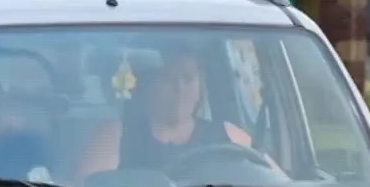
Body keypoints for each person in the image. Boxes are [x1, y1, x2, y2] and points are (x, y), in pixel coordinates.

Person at [80, 49, 255, 179]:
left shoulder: (229, 136)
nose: (179, 89)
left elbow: (276, 181)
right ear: (148, 86)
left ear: (201, 86)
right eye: (168, 79)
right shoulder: (116, 135)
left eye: (188, 79)